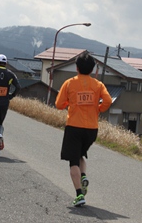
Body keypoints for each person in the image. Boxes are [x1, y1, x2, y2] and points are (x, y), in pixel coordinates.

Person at [55, 53, 112, 207]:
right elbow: (107, 100)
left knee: (73, 160)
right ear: (92, 69)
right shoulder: (98, 85)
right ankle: (84, 175)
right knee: (80, 154)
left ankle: (79, 194)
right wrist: (98, 109)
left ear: (77, 67)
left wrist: (70, 102)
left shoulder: (69, 83)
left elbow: (59, 104)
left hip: (74, 126)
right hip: (92, 129)